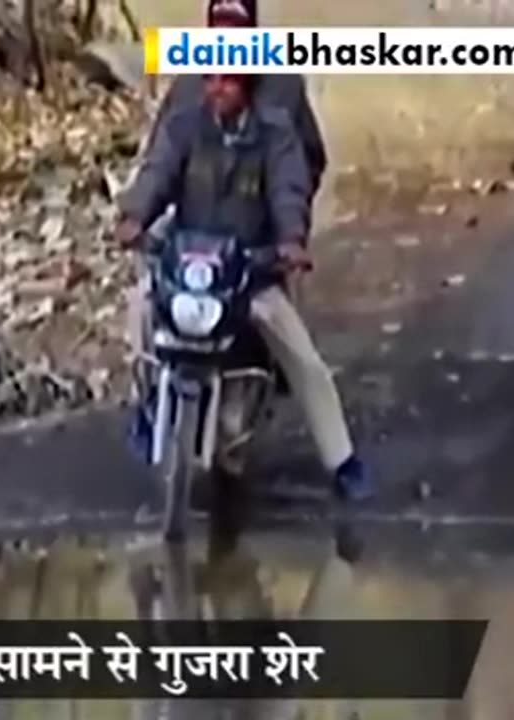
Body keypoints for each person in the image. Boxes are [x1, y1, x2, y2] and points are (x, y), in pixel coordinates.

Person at [114, 69, 373, 503]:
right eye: (211, 79)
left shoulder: (274, 132)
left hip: (250, 269)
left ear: (247, 83)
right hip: (189, 266)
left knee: (301, 356)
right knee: (139, 306)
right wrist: (134, 215)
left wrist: (290, 241)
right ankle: (147, 406)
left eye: (229, 81)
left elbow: (289, 188)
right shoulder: (185, 121)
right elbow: (157, 171)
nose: (217, 88)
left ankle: (342, 460)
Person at [148, 0, 329, 205]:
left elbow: (311, 160)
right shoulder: (188, 86)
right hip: (194, 222)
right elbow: (158, 160)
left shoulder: (284, 86)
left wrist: (286, 210)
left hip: (263, 224)